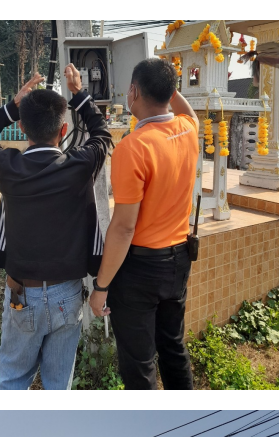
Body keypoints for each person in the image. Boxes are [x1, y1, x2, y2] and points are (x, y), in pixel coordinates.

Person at [0, 65, 113, 390]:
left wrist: (14, 104)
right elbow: (103, 134)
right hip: (68, 294)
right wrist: (78, 92)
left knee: (12, 381)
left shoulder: (8, 167)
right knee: (57, 386)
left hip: (23, 292)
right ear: (63, 129)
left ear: (22, 127)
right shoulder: (80, 166)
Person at [88, 58, 199, 389]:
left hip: (141, 270)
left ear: (133, 92)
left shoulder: (132, 148)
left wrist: (101, 287)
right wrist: (167, 84)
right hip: (179, 261)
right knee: (173, 349)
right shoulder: (187, 130)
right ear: (169, 92)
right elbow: (189, 113)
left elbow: (123, 228)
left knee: (138, 364)